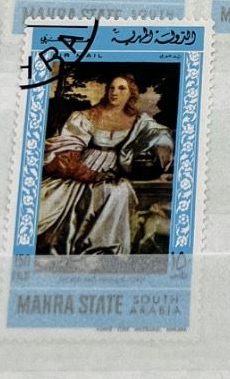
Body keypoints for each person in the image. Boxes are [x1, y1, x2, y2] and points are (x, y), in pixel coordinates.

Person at [36, 73, 174, 256]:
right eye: (111, 88)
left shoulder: (138, 120)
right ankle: (92, 248)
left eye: (121, 88)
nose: (114, 92)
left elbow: (159, 132)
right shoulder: (86, 116)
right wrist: (91, 174)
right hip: (84, 169)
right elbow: (67, 151)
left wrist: (163, 146)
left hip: (114, 170)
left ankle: (104, 248)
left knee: (117, 190)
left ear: (131, 93)